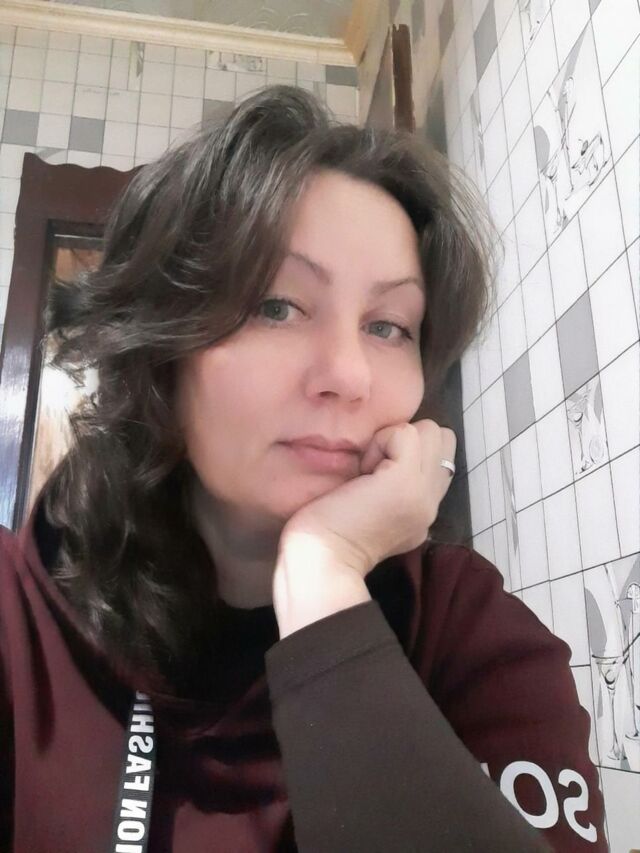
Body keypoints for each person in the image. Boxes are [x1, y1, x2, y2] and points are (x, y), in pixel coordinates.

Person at [0, 85, 606, 852]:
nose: (348, 374)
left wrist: (324, 579)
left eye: (389, 326)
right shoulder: (20, 621)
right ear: (162, 346)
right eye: (276, 306)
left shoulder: (471, 635)